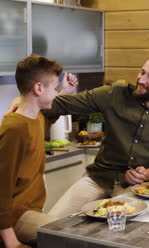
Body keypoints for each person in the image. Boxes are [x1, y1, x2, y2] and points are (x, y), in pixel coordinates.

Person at [23, 54, 149, 218]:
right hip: (99, 178)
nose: (142, 79)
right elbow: (60, 105)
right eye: (142, 72)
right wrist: (26, 100)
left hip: (138, 187)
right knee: (51, 224)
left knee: (118, 233)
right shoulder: (115, 93)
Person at [0, 55, 78, 248]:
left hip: (31, 211)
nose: (54, 93)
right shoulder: (14, 128)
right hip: (16, 216)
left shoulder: (36, 118)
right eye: (53, 87)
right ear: (38, 88)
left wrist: (64, 91)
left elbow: (45, 120)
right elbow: (1, 186)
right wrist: (11, 242)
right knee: (72, 237)